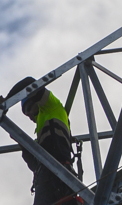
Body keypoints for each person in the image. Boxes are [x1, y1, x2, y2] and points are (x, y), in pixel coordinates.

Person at [6, 77, 79, 205]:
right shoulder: (41, 134)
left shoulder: (52, 107)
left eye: (29, 109)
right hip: (46, 180)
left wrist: (6, 101)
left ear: (36, 101)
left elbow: (29, 81)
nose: (29, 116)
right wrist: (22, 144)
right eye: (26, 114)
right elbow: (35, 165)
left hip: (59, 174)